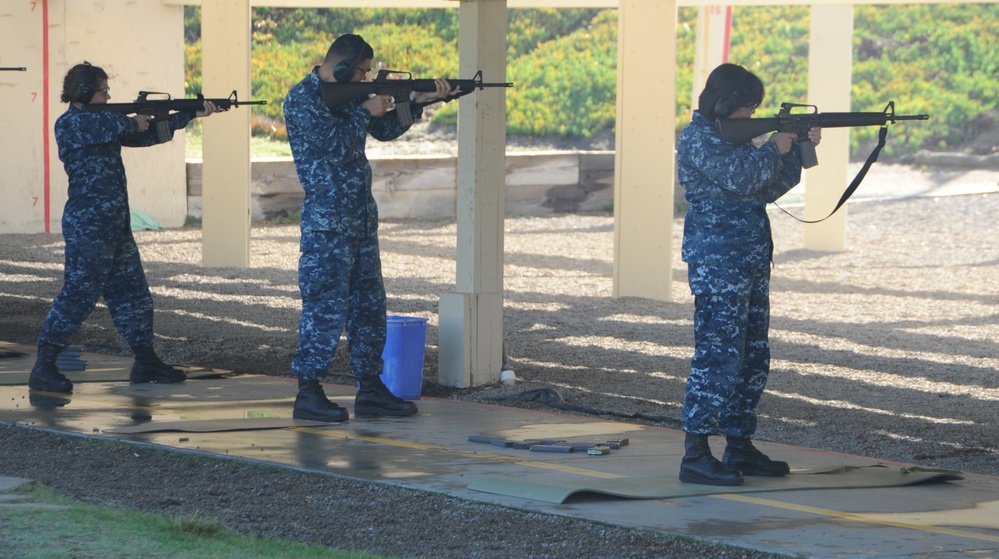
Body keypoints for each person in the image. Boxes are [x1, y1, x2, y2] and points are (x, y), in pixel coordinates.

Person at [283, 34, 456, 422]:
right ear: (342, 68)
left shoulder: (347, 98)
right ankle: (308, 392)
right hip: (327, 225)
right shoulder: (303, 98)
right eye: (362, 73)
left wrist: (418, 103)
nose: (365, 80)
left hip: (359, 221)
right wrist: (365, 109)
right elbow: (336, 145)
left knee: (369, 309)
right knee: (324, 309)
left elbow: (384, 131)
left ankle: (371, 388)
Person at [28, 62, 218, 394]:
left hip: (116, 225)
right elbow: (115, 126)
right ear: (86, 93)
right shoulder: (70, 124)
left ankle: (145, 361)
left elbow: (144, 135)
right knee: (77, 297)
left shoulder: (108, 122)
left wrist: (190, 114)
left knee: (135, 297)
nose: (108, 96)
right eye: (104, 91)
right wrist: (132, 120)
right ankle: (44, 365)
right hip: (89, 228)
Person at [676, 63, 821, 486]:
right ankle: (696, 453)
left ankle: (739, 443)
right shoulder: (700, 137)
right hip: (719, 261)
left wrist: (793, 149)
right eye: (745, 108)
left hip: (751, 256)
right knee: (717, 356)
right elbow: (744, 177)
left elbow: (768, 186)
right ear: (723, 104)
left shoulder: (734, 138)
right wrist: (774, 146)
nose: (749, 115)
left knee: (753, 356)